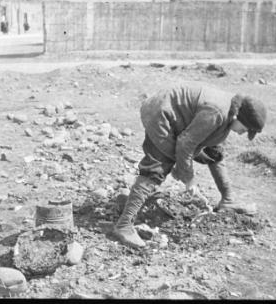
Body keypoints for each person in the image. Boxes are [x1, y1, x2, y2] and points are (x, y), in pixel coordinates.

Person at [112, 85, 267, 248]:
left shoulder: (228, 113)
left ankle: (228, 200)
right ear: (236, 117)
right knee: (157, 167)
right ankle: (124, 225)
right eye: (244, 129)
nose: (242, 133)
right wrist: (189, 180)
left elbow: (211, 150)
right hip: (160, 114)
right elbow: (185, 143)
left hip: (180, 117)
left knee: (214, 152)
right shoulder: (216, 113)